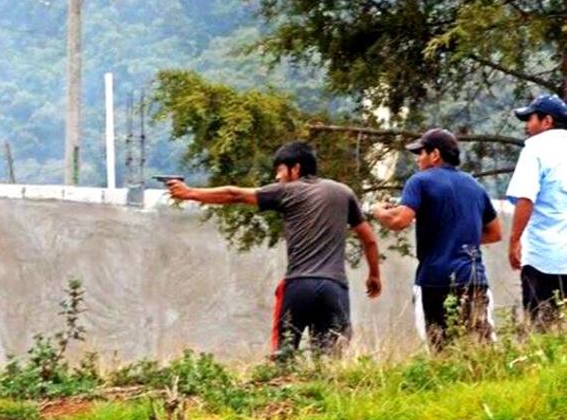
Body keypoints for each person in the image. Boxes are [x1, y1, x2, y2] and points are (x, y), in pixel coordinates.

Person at [166, 141, 382, 358]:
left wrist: (189, 193)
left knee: (282, 357)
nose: (277, 177)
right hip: (334, 289)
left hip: (298, 286)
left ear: (295, 168)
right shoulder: (343, 192)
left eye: (280, 170)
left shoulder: (286, 191)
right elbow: (370, 240)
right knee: (331, 360)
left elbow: (234, 194)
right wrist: (374, 275)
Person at [372, 128, 502, 351]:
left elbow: (400, 221)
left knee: (440, 352)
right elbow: (495, 232)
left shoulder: (420, 181)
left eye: (421, 153)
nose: (418, 159)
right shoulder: (474, 185)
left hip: (435, 281)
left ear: (435, 155)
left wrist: (378, 211)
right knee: (482, 351)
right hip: (473, 279)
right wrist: (458, 236)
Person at [505, 94, 567, 330]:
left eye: (530, 119)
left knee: (541, 328)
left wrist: (515, 240)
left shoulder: (535, 149)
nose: (527, 126)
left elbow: (526, 198)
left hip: (544, 256)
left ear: (547, 121)